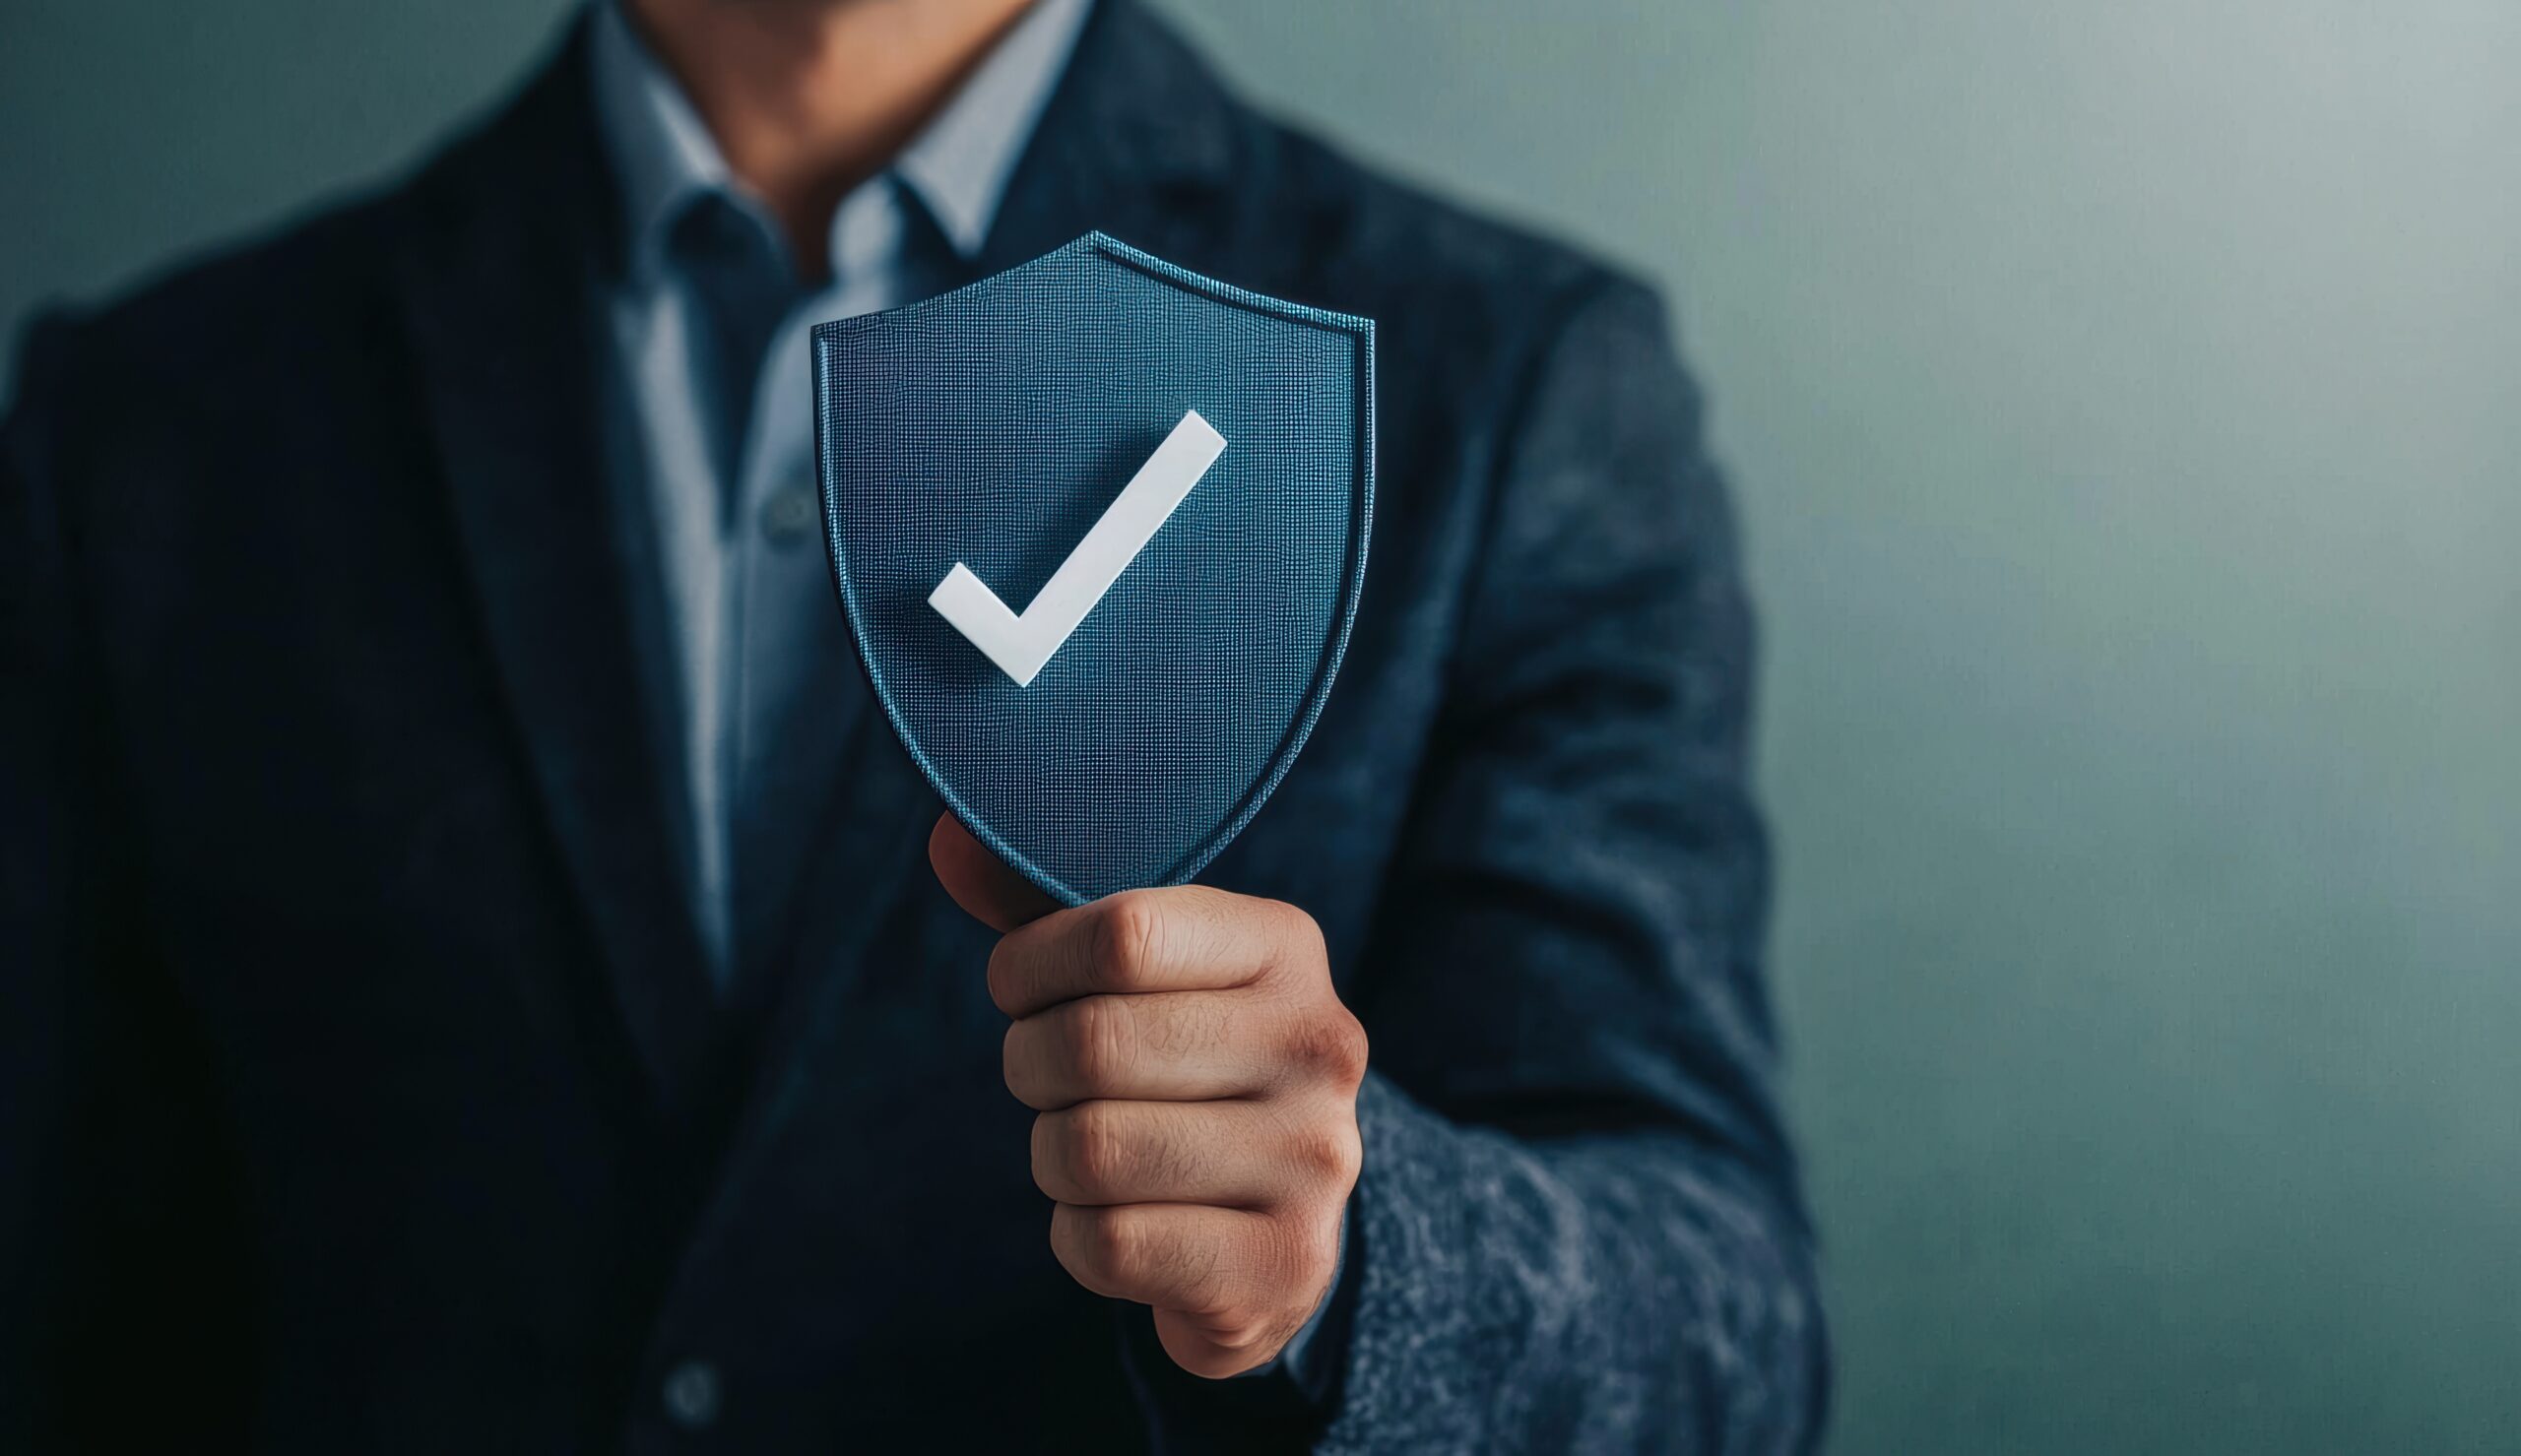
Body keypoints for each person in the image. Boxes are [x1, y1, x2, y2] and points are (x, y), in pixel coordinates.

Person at [0, 0, 1827, 1448]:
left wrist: (1350, 1260)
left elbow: (1724, 1328)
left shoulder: (1498, 384)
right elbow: (86, 1308)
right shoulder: (162, 426)